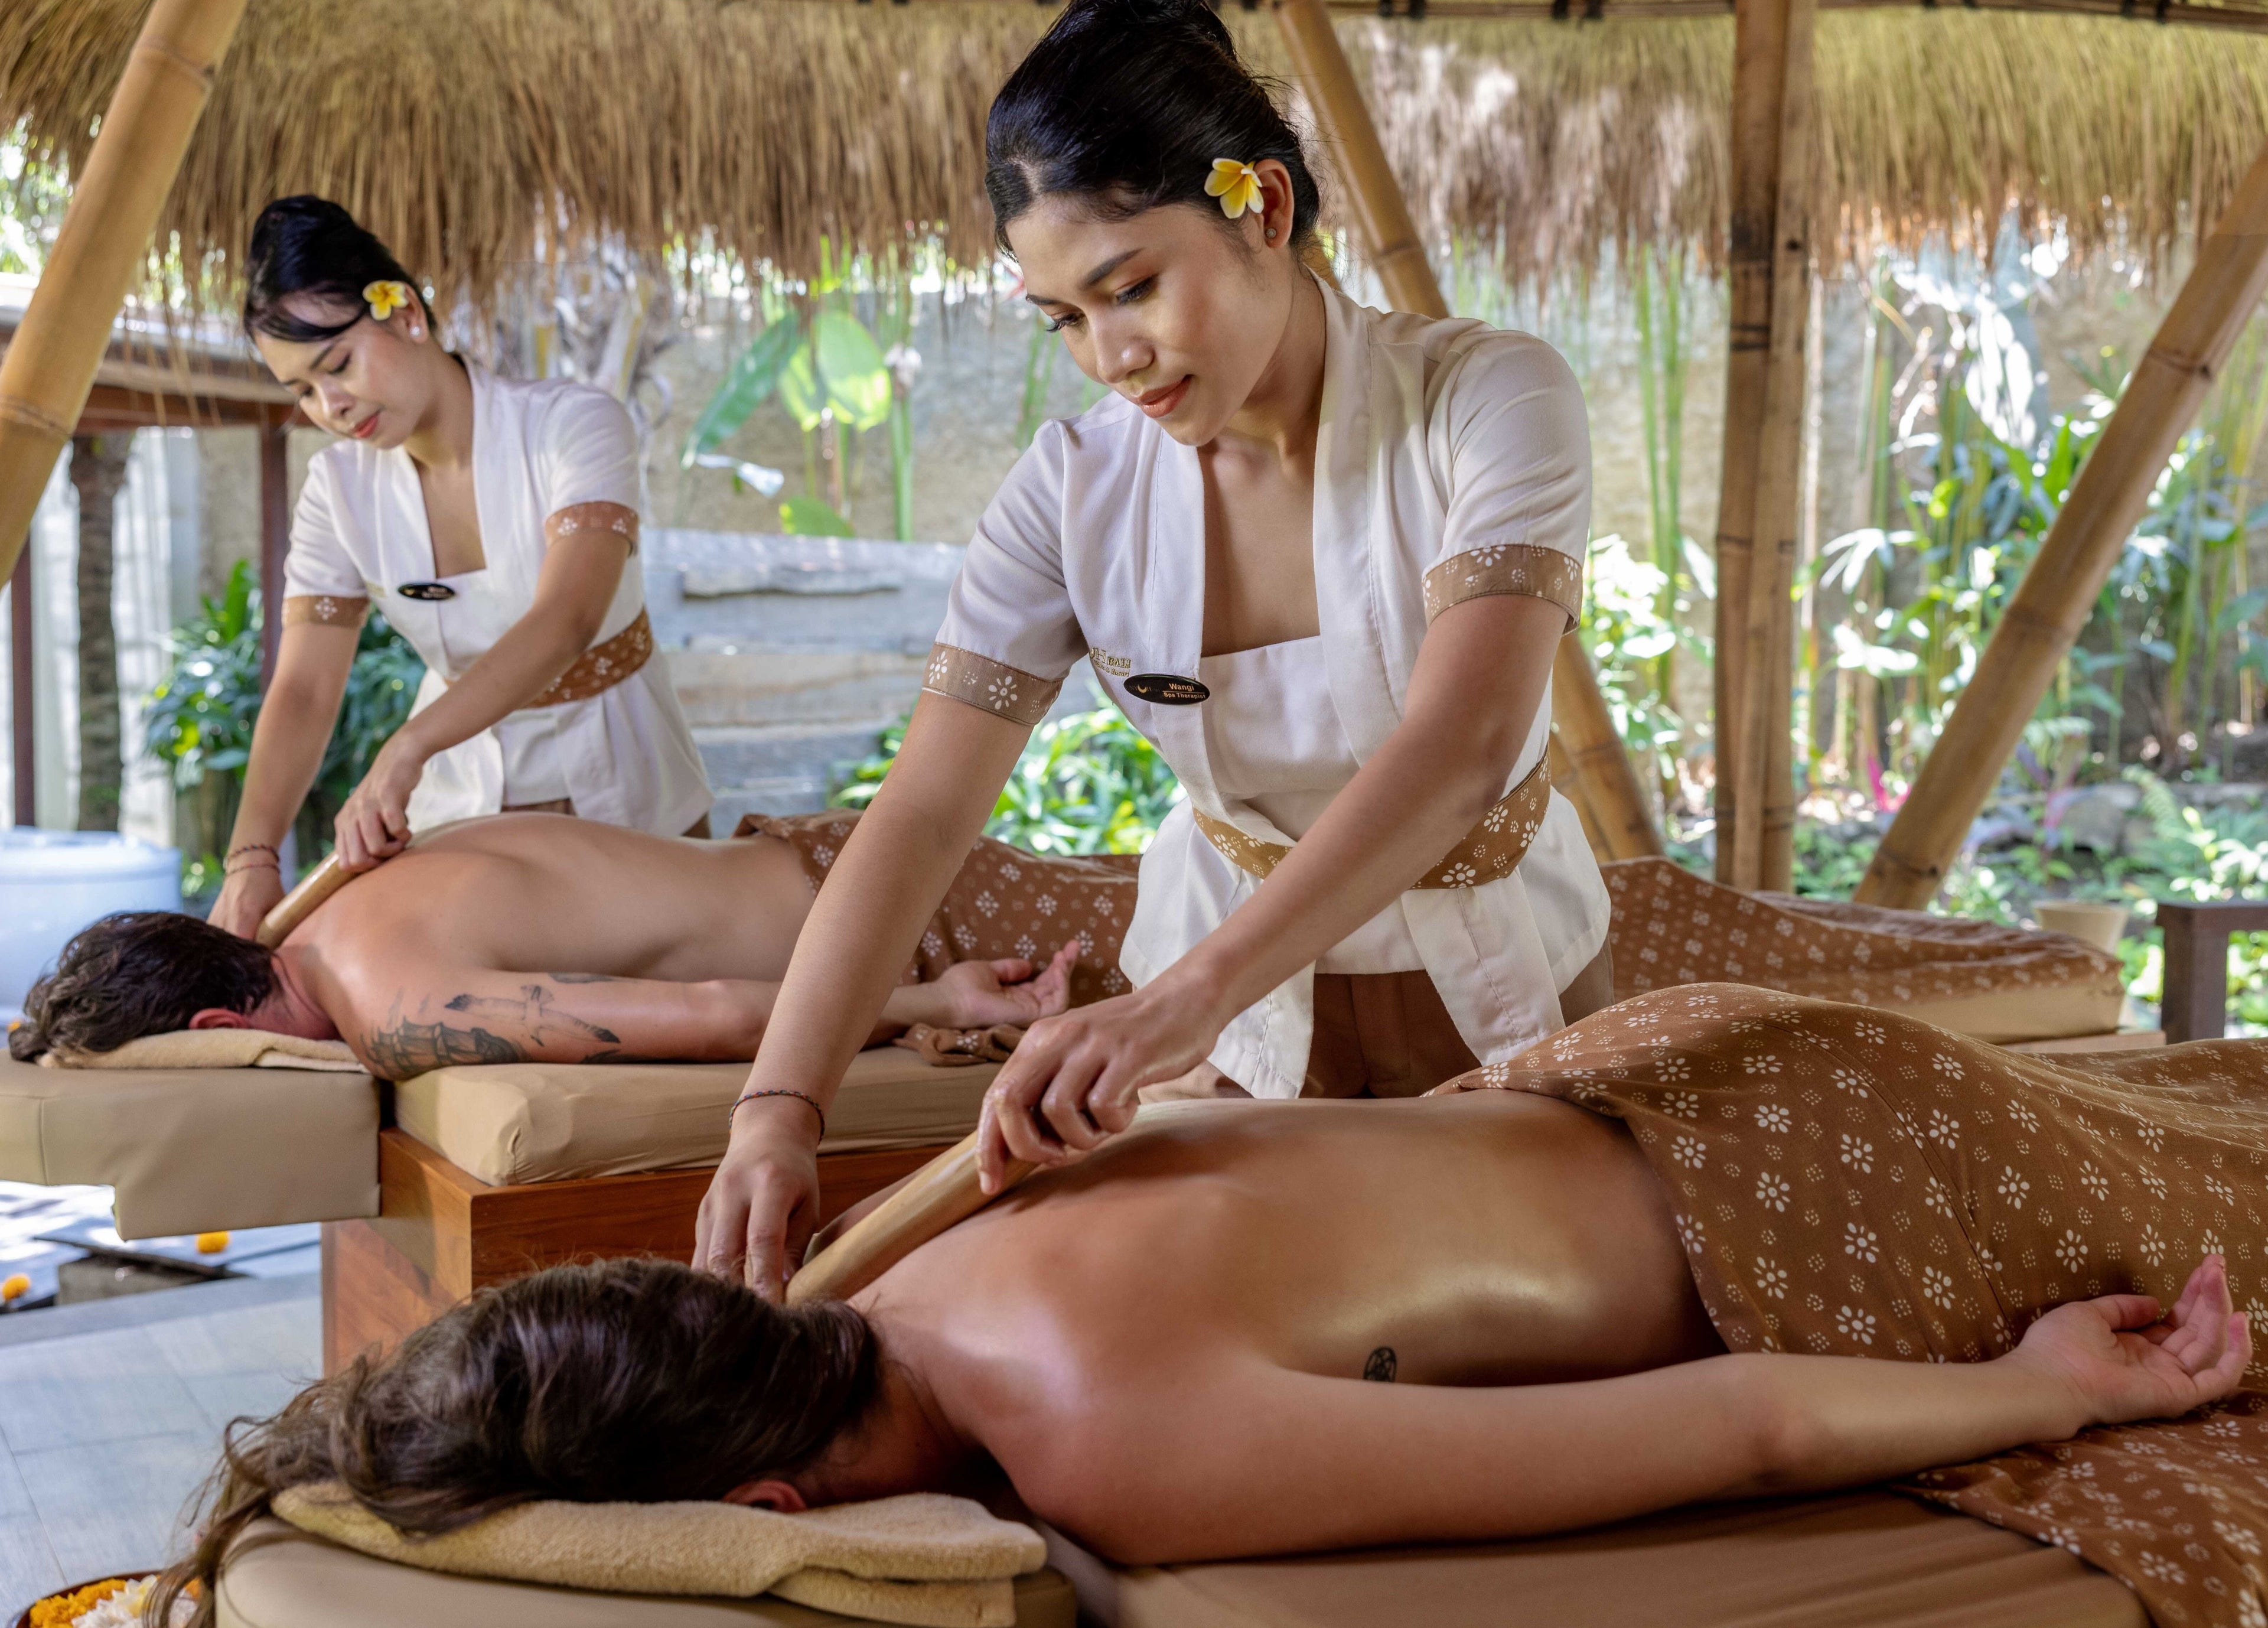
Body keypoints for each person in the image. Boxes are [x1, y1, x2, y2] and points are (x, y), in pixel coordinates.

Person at [155, 988, 2257, 1628]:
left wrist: (2028, 1391)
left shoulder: (1114, 1453)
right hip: (1683, 1058)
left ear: (785, 1499)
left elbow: (1759, 1430)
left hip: (1838, 1202)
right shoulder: (909, 1253)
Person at [698, 0, 1614, 1292]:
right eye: (1062, 317)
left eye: (1131, 288)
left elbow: (1458, 750)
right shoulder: (1070, 491)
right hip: (1225, 1042)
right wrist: (778, 1110)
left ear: (1267, 212)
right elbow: (919, 811)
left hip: (1507, 982)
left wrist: (1182, 994)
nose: (1110, 356)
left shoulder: (1488, 399)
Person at [204, 196, 711, 942]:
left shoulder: (574, 425)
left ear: (406, 313)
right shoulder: (338, 491)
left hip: (631, 787)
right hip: (458, 812)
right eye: (304, 391)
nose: (331, 405)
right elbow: (308, 687)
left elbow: (565, 622)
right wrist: (250, 858)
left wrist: (407, 747)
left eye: (337, 365)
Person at [8, 812, 1130, 1080]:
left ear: (216, 1028)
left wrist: (944, 1005)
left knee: (1278, 963)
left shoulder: (399, 1004)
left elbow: (725, 1019)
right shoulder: (327, 901)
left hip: (915, 930)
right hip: (832, 856)